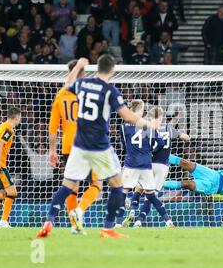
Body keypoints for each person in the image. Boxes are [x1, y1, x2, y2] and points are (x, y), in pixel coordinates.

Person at [37, 54, 160, 239]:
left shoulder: (83, 85)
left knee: (67, 186)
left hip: (78, 145)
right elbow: (127, 116)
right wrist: (149, 124)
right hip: (100, 146)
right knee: (117, 184)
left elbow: (67, 84)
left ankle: (48, 222)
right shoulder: (110, 91)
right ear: (112, 70)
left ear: (97, 68)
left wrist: (78, 65)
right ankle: (107, 228)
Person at [48, 59, 102, 234]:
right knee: (97, 184)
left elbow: (53, 129)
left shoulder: (61, 95)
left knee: (72, 186)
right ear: (81, 74)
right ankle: (80, 211)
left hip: (67, 146)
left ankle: (74, 226)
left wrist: (52, 150)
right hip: (87, 144)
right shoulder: (87, 92)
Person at [123, 106, 190, 228]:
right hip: (163, 166)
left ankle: (132, 209)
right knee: (151, 196)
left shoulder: (146, 128)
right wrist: (183, 136)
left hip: (149, 163)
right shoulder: (168, 129)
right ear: (162, 118)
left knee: (139, 189)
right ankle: (139, 221)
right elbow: (185, 137)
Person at [114, 101, 165, 227]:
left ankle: (118, 223)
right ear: (141, 111)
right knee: (150, 194)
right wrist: (151, 151)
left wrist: (132, 152)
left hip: (131, 162)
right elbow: (160, 143)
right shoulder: (148, 126)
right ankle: (167, 220)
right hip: (146, 163)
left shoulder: (123, 126)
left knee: (123, 191)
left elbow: (124, 145)